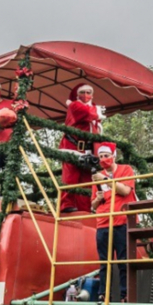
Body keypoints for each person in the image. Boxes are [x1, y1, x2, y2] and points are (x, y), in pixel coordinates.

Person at [90, 142, 136, 303]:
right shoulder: (97, 177)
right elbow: (93, 205)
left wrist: (106, 179)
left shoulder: (126, 170)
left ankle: (125, 295)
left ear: (114, 156)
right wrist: (97, 199)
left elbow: (125, 191)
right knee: (104, 262)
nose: (103, 159)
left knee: (123, 260)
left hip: (122, 221)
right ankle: (104, 294)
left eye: (106, 156)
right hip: (103, 222)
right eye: (101, 156)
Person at [60, 83, 104, 213]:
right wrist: (98, 112)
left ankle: (85, 208)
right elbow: (88, 113)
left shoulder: (92, 107)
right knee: (70, 177)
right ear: (77, 95)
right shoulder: (75, 105)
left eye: (89, 92)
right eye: (82, 92)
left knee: (86, 179)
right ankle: (66, 205)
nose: (86, 95)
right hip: (72, 145)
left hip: (88, 149)